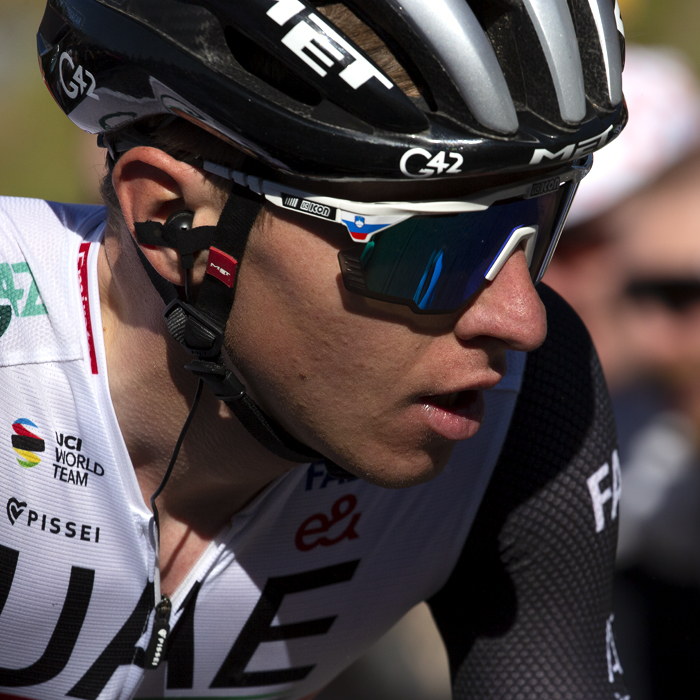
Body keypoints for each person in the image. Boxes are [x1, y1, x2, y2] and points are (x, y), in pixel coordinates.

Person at [0, 1, 628, 699]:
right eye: (436, 249)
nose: (523, 321)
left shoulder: (527, 407)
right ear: (172, 220)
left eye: (540, 225)